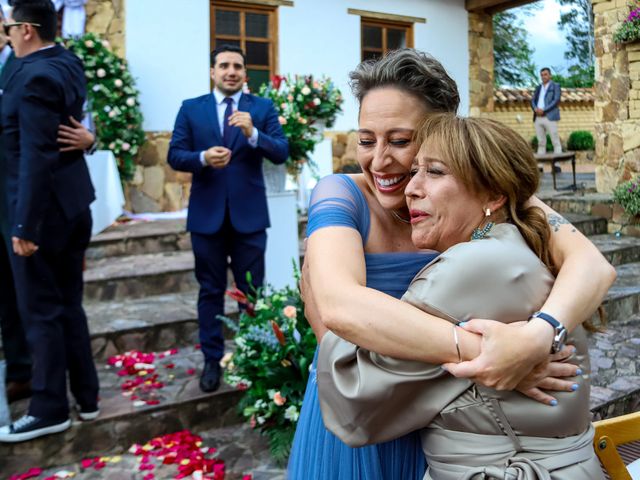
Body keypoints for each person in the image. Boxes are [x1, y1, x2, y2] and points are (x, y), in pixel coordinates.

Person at [288, 49, 615, 480]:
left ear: (441, 133)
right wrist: (497, 357)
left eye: (400, 141)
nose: (379, 161)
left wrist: (537, 336)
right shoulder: (342, 194)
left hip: (454, 432)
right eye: (367, 140)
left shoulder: (477, 191)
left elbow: (592, 265)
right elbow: (337, 307)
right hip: (368, 403)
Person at [0, 0, 99, 443]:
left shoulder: (35, 74)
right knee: (67, 304)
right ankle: (88, 396)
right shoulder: (67, 60)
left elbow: (36, 155)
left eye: (7, 26)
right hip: (73, 205)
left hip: (41, 212)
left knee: (41, 311)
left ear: (25, 30)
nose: (4, 33)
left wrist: (25, 227)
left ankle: (49, 407)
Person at [167, 44, 289, 393]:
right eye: (224, 65)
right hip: (206, 218)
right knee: (210, 291)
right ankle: (211, 359)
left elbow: (281, 152)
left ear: (244, 73)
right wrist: (203, 157)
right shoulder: (191, 109)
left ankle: (253, 356)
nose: (231, 71)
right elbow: (175, 154)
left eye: (237, 66)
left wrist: (253, 135)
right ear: (213, 72)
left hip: (249, 218)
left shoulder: (261, 108)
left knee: (252, 294)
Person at [531, 67, 562, 155]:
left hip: (550, 117)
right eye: (542, 75)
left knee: (555, 141)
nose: (543, 77)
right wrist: (535, 109)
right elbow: (533, 100)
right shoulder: (538, 88)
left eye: (545, 74)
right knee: (541, 143)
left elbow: (556, 100)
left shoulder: (555, 86)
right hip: (538, 117)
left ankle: (557, 165)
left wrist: (544, 110)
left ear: (550, 75)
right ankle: (540, 166)